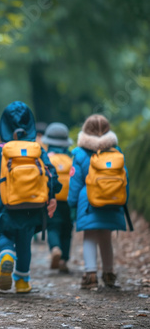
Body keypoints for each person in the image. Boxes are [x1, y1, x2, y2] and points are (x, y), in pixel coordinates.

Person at [0, 101, 61, 293]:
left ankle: (6, 255)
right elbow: (51, 174)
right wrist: (52, 195)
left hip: (4, 204)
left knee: (4, 234)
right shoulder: (37, 150)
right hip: (32, 206)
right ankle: (22, 280)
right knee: (25, 241)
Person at [68, 114, 129, 289]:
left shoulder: (80, 153)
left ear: (85, 131)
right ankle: (109, 274)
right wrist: (123, 202)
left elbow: (75, 183)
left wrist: (72, 204)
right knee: (106, 237)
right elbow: (126, 180)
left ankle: (91, 274)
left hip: (89, 203)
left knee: (90, 237)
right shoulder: (116, 152)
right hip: (113, 201)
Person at [41, 122, 74, 273]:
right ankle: (64, 260)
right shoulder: (71, 158)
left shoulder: (47, 158)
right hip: (68, 199)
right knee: (67, 229)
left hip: (51, 199)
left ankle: (55, 248)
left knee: (53, 226)